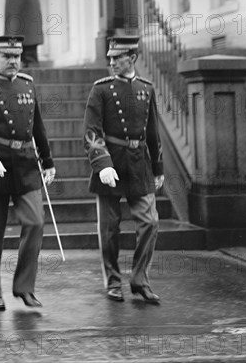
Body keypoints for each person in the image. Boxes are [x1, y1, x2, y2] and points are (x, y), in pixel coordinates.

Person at [0, 35, 56, 310]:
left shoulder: (27, 84)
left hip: (27, 163)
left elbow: (36, 126)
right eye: (7, 56)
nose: (13, 61)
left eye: (16, 56)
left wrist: (48, 160)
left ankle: (25, 287)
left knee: (35, 223)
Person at [83, 36, 164, 303]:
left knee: (150, 222)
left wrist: (158, 166)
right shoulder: (101, 89)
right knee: (109, 228)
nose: (111, 61)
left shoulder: (146, 88)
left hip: (139, 162)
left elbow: (153, 131)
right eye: (110, 57)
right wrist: (102, 164)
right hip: (111, 162)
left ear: (133, 58)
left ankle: (140, 279)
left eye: (117, 57)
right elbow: (91, 132)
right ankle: (113, 281)